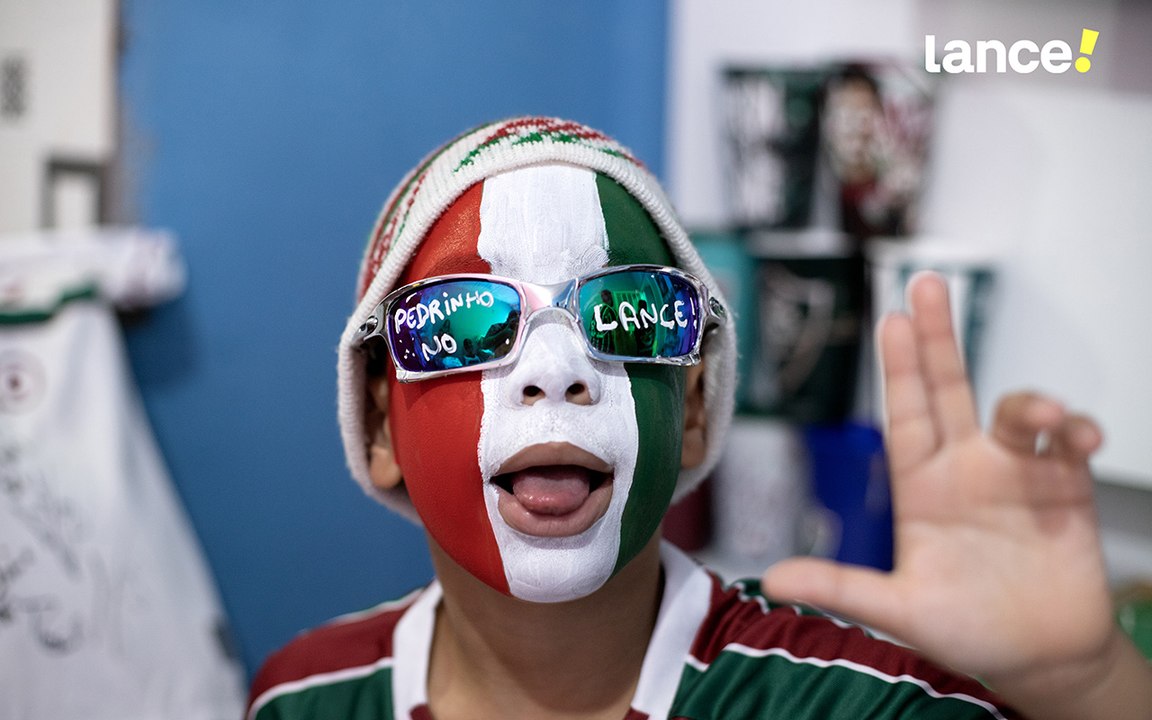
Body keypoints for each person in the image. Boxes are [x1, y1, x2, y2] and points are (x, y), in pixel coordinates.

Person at [246, 117, 1152, 719]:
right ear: (375, 424)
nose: (554, 375)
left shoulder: (855, 705)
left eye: (630, 312)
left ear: (693, 406)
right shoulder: (305, 699)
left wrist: (1088, 686)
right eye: (463, 321)